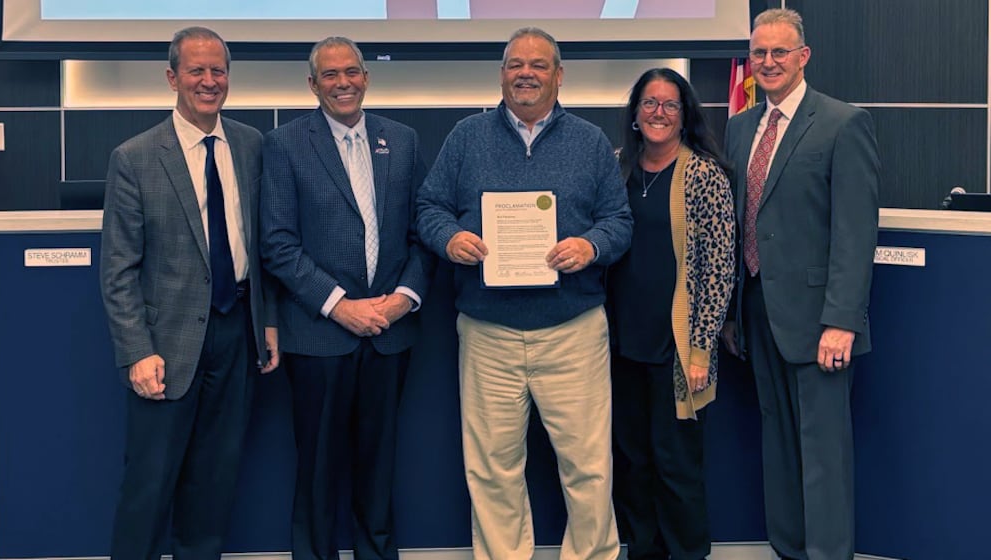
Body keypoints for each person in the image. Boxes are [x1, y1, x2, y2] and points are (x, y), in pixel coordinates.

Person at [416, 27, 633, 560]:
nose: (526, 73)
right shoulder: (466, 137)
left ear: (559, 76)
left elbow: (619, 221)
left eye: (538, 64)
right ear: (502, 74)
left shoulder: (589, 140)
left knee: (588, 467)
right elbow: (429, 209)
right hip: (489, 332)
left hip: (572, 331)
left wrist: (591, 246)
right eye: (515, 64)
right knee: (492, 467)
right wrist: (450, 238)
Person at [100, 26, 279, 560]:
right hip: (165, 343)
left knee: (214, 483)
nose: (209, 81)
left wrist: (266, 320)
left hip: (236, 333)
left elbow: (259, 243)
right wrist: (136, 350)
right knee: (149, 486)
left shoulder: (251, 144)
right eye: (196, 70)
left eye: (218, 70)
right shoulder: (134, 157)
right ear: (172, 77)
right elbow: (118, 268)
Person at [260, 36, 434, 560]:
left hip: (389, 331)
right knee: (317, 470)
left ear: (366, 77)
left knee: (378, 468)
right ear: (313, 85)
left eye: (351, 72)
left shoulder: (401, 141)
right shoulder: (285, 144)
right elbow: (277, 242)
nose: (343, 83)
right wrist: (339, 305)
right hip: (319, 336)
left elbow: (423, 231)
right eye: (330, 75)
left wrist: (405, 297)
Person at [720, 8, 880, 560]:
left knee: (823, 451)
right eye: (759, 52)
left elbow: (856, 234)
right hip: (758, 312)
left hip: (820, 322)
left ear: (802, 57)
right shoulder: (740, 127)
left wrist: (841, 322)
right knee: (779, 441)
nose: (767, 62)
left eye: (779, 52)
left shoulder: (842, 122)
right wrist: (734, 314)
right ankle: (789, 549)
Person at [607, 68, 735, 560]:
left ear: (685, 117)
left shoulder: (703, 174)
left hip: (678, 350)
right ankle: (643, 550)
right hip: (621, 345)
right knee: (632, 462)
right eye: (649, 103)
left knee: (675, 466)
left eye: (670, 105)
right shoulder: (617, 167)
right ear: (635, 114)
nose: (659, 113)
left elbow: (720, 269)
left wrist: (701, 348)